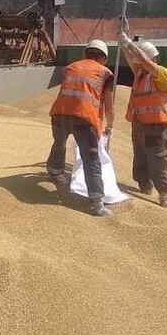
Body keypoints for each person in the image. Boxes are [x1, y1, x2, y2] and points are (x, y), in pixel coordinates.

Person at [47, 39, 116, 216]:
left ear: (85, 53)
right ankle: (96, 202)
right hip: (83, 119)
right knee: (91, 158)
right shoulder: (105, 73)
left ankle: (54, 171)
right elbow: (109, 107)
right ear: (104, 58)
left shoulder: (70, 68)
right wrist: (110, 126)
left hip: (59, 113)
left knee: (59, 143)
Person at [118, 18, 167, 207]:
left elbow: (142, 60)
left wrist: (128, 42)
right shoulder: (140, 75)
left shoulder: (162, 74)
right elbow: (132, 59)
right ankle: (144, 186)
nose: (138, 65)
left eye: (141, 62)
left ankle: (164, 193)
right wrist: (122, 37)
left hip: (155, 126)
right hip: (139, 123)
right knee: (140, 158)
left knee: (157, 160)